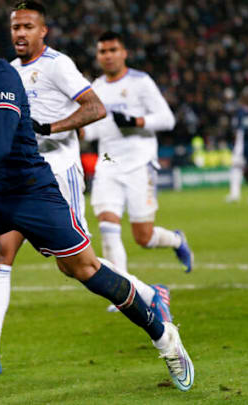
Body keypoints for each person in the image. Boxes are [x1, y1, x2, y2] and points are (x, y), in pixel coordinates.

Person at [0, 21, 194, 403]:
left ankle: (163, 336)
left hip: (32, 193)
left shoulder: (3, 76)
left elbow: (1, 145)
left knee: (84, 269)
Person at [0, 0, 107, 376]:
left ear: (43, 31)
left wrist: (49, 128)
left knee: (77, 266)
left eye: (27, 27)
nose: (19, 33)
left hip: (57, 174)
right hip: (19, 177)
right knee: (0, 251)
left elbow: (95, 108)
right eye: (15, 27)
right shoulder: (7, 73)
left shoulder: (57, 65)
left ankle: (150, 295)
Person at [82, 31, 194, 313]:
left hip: (139, 165)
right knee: (107, 227)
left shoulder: (140, 82)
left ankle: (177, 240)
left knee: (143, 237)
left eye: (112, 50)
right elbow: (95, 128)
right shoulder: (96, 87)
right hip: (108, 165)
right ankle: (123, 293)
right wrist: (76, 128)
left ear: (124, 53)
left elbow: (167, 119)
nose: (107, 55)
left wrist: (136, 120)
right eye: (102, 51)